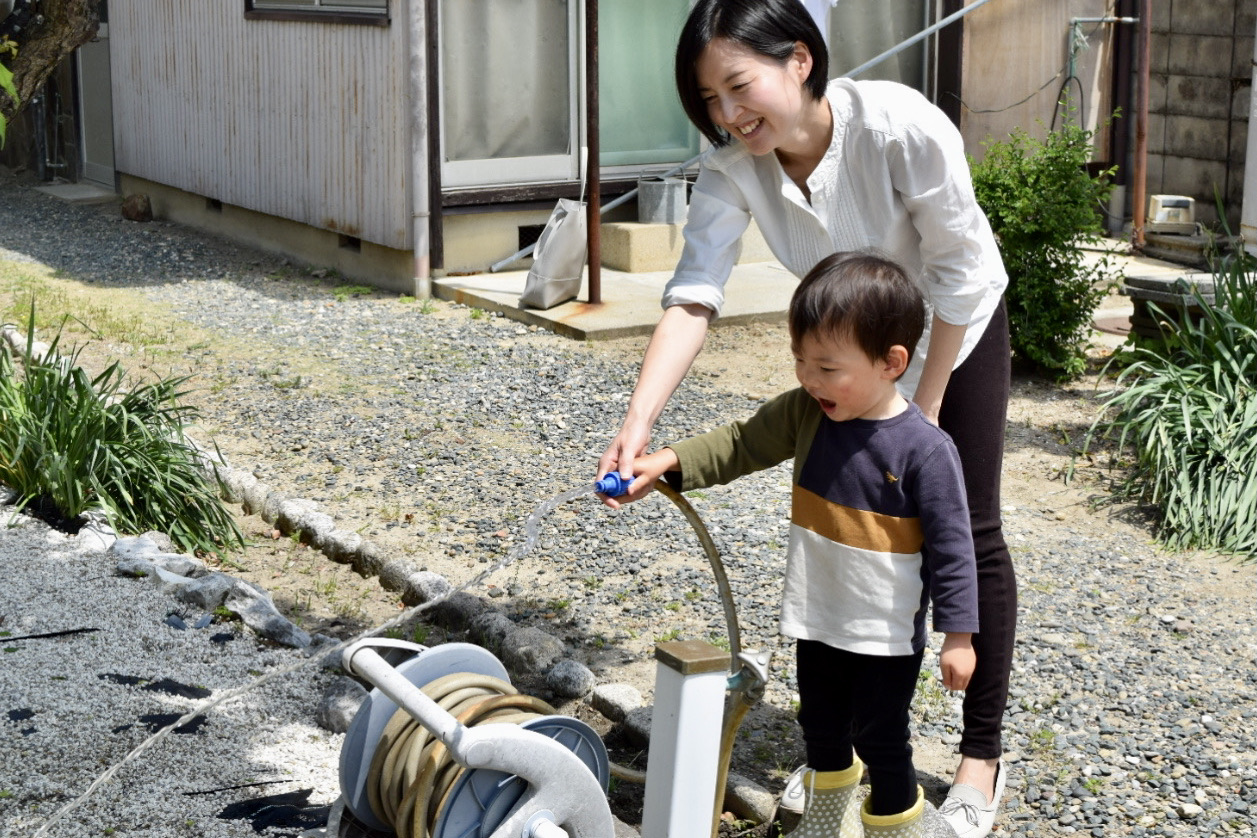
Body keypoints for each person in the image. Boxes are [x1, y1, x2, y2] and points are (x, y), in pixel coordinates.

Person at [596, 1, 1014, 835]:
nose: (726, 114)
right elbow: (694, 292)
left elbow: (960, 273)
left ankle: (980, 760)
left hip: (946, 331)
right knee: (851, 532)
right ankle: (838, 757)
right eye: (708, 99)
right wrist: (638, 419)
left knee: (964, 525)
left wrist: (918, 414)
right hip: (846, 355)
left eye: (737, 86)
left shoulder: (898, 126)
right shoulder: (732, 166)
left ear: (798, 59)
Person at [606, 252, 979, 837]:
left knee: (882, 740)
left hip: (883, 635)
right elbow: (741, 443)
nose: (809, 379)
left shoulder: (924, 452)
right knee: (821, 730)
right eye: (800, 361)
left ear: (892, 362)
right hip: (816, 616)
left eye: (828, 367)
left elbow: (955, 550)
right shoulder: (809, 413)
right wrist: (667, 463)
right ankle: (824, 825)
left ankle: (895, 832)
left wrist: (959, 635)